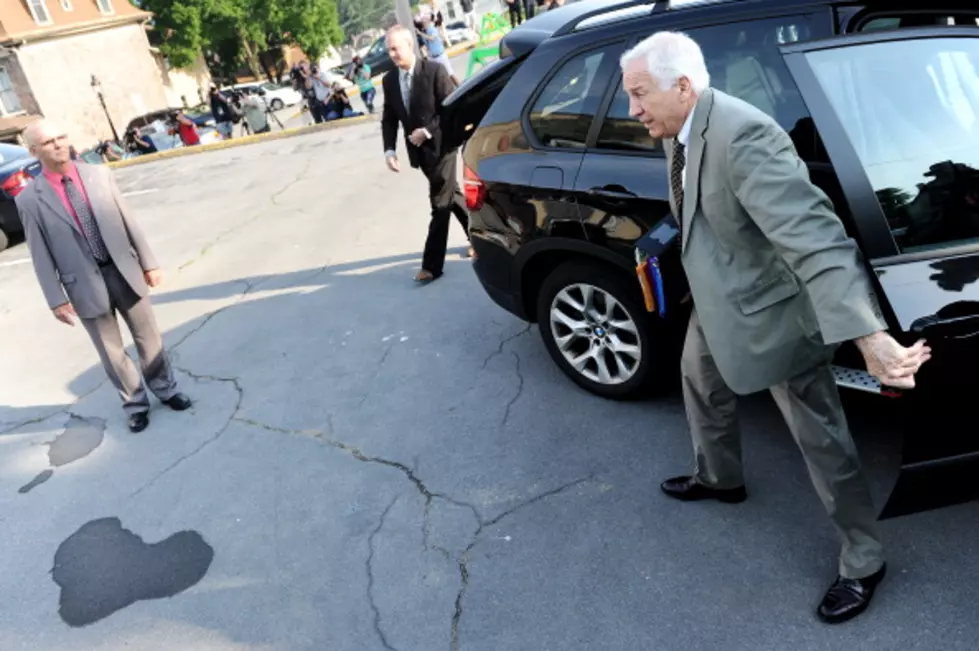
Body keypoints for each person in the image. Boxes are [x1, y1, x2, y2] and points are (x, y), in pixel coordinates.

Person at [619, 31, 931, 624]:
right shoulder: (680, 127)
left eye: (639, 94)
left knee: (822, 438)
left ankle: (864, 560)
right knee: (699, 382)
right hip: (716, 298)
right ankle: (720, 478)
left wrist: (868, 336)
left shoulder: (745, 136)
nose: (632, 110)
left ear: (682, 86)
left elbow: (816, 239)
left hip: (773, 315)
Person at [15, 120, 192, 433]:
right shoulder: (29, 199)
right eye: (48, 142)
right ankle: (135, 405)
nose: (58, 144)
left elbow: (128, 220)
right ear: (33, 151)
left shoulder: (99, 175)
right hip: (82, 284)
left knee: (148, 336)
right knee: (111, 351)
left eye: (61, 136)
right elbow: (40, 254)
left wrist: (149, 263)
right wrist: (56, 299)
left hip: (125, 269)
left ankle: (166, 389)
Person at [381, 25, 471, 283]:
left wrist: (428, 131)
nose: (392, 54)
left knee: (439, 203)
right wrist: (389, 150)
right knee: (452, 197)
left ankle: (432, 265)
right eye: (389, 49)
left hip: (443, 147)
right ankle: (482, 237)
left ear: (409, 46)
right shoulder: (390, 81)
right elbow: (389, 119)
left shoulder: (433, 71)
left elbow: (450, 109)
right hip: (420, 155)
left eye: (395, 48)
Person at [418, 13, 460, 86]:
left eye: (424, 19)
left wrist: (421, 34)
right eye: (422, 20)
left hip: (440, 56)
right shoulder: (425, 31)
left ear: (428, 20)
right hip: (432, 57)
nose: (422, 21)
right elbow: (427, 46)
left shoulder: (432, 29)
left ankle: (460, 86)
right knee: (438, 77)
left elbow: (432, 38)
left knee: (450, 73)